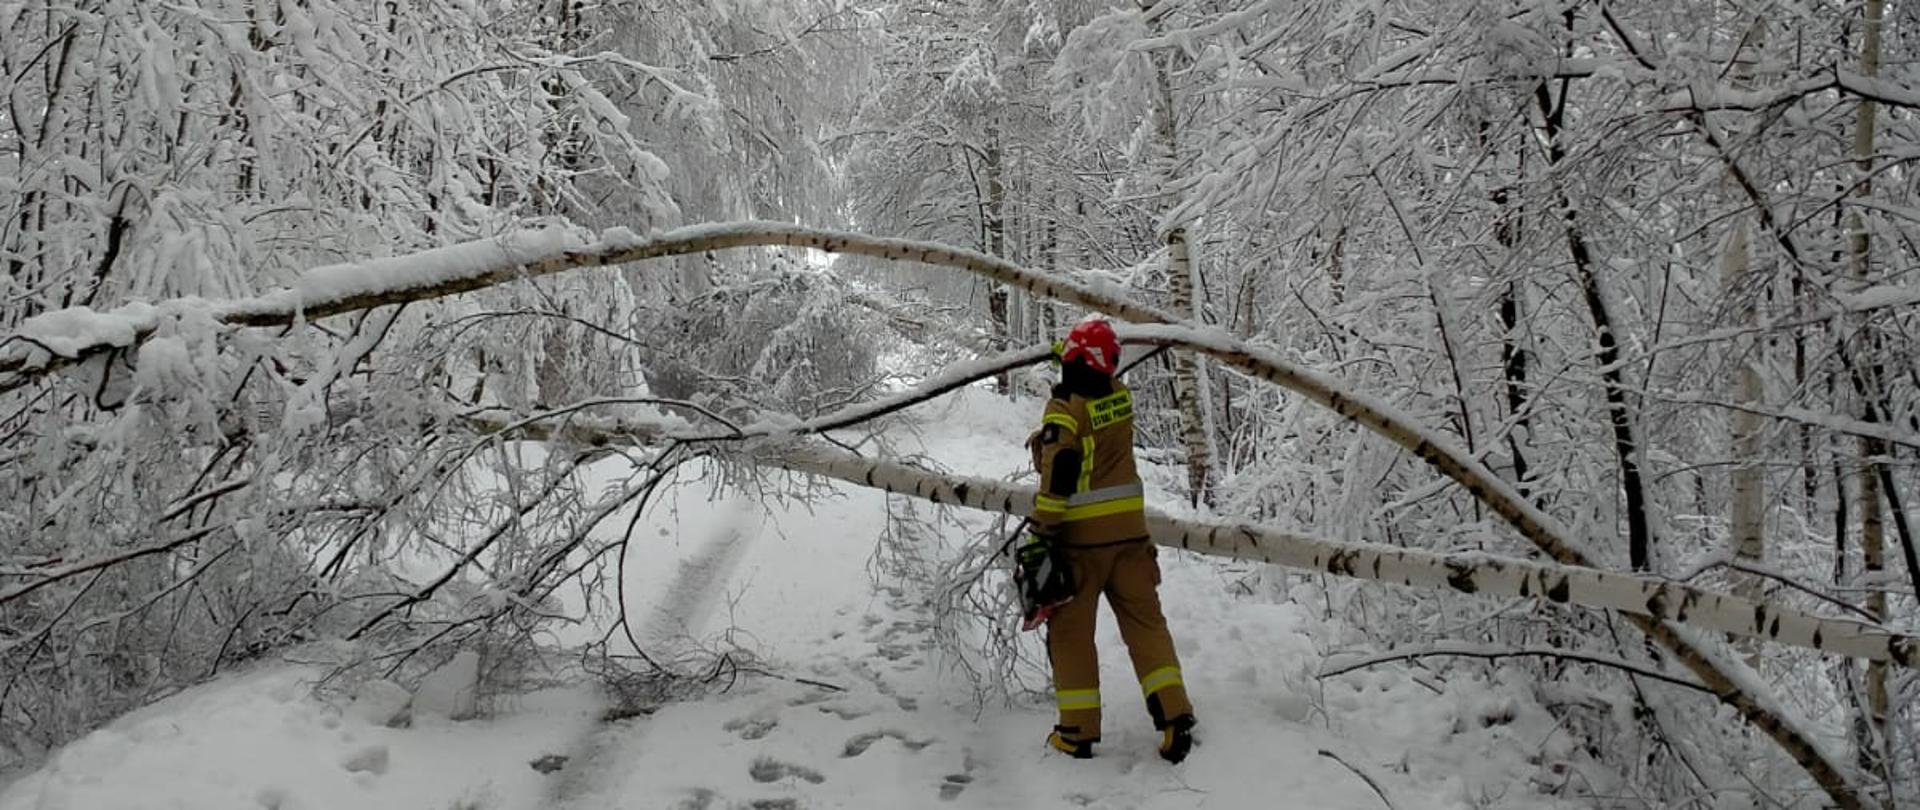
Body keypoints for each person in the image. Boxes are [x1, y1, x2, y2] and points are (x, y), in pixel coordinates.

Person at [1016, 316, 1197, 763]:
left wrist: (1041, 529)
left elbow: (1059, 476)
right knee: (1146, 625)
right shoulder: (1120, 397)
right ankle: (1174, 716)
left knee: (1072, 634)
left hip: (1081, 546)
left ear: (1073, 360)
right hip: (1132, 539)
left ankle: (1076, 732)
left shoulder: (1064, 407)